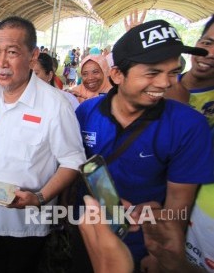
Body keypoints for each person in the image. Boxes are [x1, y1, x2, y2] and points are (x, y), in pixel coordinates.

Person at [73, 20, 213, 271]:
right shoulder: (85, 112)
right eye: (152, 72)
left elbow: (179, 204)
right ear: (117, 75)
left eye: (172, 71)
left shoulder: (189, 126)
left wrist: (161, 254)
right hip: (87, 230)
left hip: (141, 246)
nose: (166, 83)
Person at [0, 16, 86, 272]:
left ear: (32, 56)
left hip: (32, 218)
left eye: (12, 52)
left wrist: (39, 198)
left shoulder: (55, 104)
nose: (2, 62)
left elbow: (73, 161)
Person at [164, 15, 214, 271]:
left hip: (199, 219)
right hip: (155, 208)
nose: (210, 53)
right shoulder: (162, 85)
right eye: (207, 41)